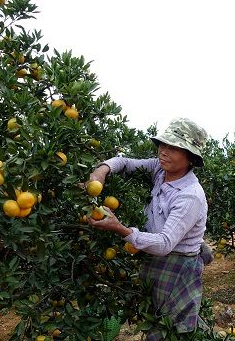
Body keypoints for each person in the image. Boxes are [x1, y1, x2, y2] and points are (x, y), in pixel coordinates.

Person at [87, 118, 210, 339]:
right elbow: (125, 163)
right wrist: (101, 172)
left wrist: (120, 229)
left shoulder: (190, 196)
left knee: (171, 329)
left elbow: (164, 244)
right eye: (163, 145)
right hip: (151, 258)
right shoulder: (159, 170)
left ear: (190, 157)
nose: (164, 152)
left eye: (173, 148)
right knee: (153, 320)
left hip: (177, 265)